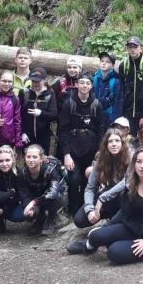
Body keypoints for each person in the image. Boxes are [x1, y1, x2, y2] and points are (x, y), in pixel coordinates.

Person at [80, 147, 143, 265]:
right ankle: (87, 246)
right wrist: (106, 227)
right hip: (134, 228)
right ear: (134, 163)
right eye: (139, 161)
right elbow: (124, 211)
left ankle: (120, 245)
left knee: (113, 252)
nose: (142, 166)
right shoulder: (131, 182)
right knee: (95, 235)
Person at [57, 74, 105, 215]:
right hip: (72, 148)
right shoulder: (69, 103)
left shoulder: (96, 105)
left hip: (91, 148)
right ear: (77, 85)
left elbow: (101, 130)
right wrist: (66, 154)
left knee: (88, 179)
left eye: (87, 83)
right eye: (82, 83)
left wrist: (100, 152)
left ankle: (85, 209)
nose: (84, 86)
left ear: (91, 86)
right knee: (73, 179)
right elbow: (62, 130)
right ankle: (73, 210)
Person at [69, 129, 130, 238]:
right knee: (79, 220)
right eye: (110, 141)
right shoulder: (100, 161)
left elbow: (127, 182)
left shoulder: (131, 158)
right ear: (106, 144)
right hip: (106, 196)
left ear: (122, 143)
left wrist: (103, 197)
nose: (114, 144)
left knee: (123, 193)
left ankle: (116, 221)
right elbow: (90, 188)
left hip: (123, 196)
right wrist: (89, 210)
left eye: (117, 140)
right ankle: (107, 217)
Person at [18, 144, 65, 236]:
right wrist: (28, 207)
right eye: (28, 157)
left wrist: (34, 202)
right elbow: (24, 194)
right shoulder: (22, 173)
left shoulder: (50, 170)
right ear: (25, 158)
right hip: (35, 199)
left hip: (52, 198)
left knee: (55, 198)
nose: (31, 160)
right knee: (28, 215)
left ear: (41, 159)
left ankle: (50, 219)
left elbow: (53, 192)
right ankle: (40, 219)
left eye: (34, 157)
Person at [19, 67, 58, 155]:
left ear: (45, 80)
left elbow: (54, 115)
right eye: (33, 81)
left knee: (43, 160)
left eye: (38, 81)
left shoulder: (50, 94)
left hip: (43, 137)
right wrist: (22, 132)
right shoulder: (24, 93)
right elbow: (18, 115)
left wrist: (41, 113)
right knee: (28, 159)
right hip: (27, 136)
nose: (35, 83)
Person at [117, 36, 143, 137]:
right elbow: (121, 90)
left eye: (135, 47)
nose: (132, 50)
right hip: (128, 112)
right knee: (130, 139)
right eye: (130, 47)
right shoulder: (124, 65)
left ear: (141, 48)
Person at [93, 51, 122, 125]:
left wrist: (114, 121)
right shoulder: (95, 78)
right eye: (102, 61)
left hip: (109, 116)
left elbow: (118, 102)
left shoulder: (116, 81)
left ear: (113, 65)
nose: (104, 63)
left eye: (107, 62)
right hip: (95, 114)